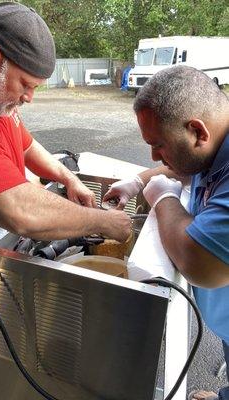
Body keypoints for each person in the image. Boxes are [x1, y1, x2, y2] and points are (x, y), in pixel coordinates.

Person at [0, 3, 132, 399]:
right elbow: (20, 211)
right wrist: (106, 223)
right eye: (27, 85)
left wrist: (67, 177)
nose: (30, 98)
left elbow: (24, 141)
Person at [103, 65, 229, 400]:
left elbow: (197, 260)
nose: (153, 156)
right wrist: (138, 181)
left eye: (158, 145)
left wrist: (163, 197)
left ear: (197, 132)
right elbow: (185, 163)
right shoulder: (215, 137)